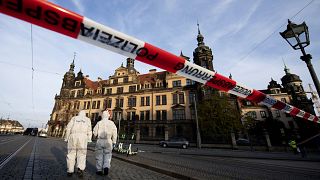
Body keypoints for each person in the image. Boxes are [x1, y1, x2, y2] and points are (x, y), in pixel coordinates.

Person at [64, 110, 92, 178]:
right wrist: (89, 139)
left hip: (73, 136)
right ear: (85, 114)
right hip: (83, 137)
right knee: (82, 154)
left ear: (79, 114)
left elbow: (68, 128)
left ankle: (70, 170)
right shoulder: (87, 119)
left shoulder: (74, 118)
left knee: (71, 153)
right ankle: (80, 169)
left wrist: (66, 138)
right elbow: (89, 130)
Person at [93, 110, 117, 176]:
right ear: (108, 116)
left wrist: (95, 136)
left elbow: (94, 132)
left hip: (100, 140)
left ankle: (99, 170)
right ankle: (106, 166)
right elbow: (115, 132)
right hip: (108, 141)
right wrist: (114, 141)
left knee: (99, 155)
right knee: (108, 155)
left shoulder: (99, 123)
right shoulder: (111, 123)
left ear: (102, 116)